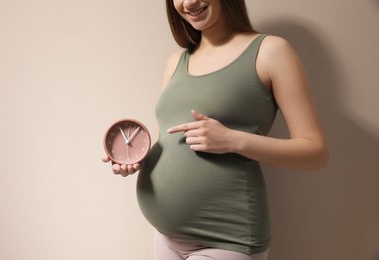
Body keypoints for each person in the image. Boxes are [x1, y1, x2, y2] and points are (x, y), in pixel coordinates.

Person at [102, 0, 329, 259]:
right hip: (165, 236)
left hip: (227, 238)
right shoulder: (176, 61)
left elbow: (316, 152)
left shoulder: (271, 51)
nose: (188, 2)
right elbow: (164, 141)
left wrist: (232, 140)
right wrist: (133, 158)